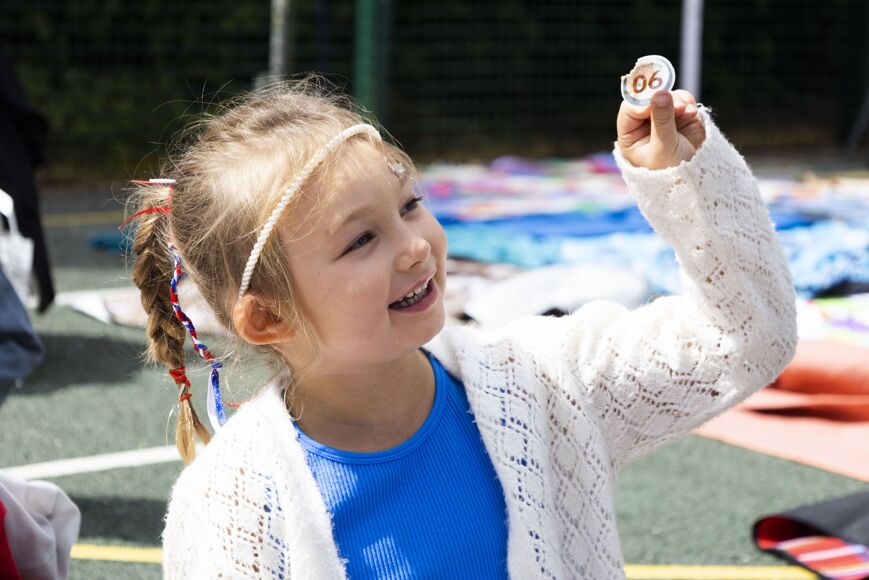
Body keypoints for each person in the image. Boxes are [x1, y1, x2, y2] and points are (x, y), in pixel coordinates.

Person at [128, 79, 797, 578]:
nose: (414, 246)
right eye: (361, 239)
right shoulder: (234, 501)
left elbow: (744, 338)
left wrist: (685, 181)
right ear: (268, 316)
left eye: (410, 205)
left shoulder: (544, 384)